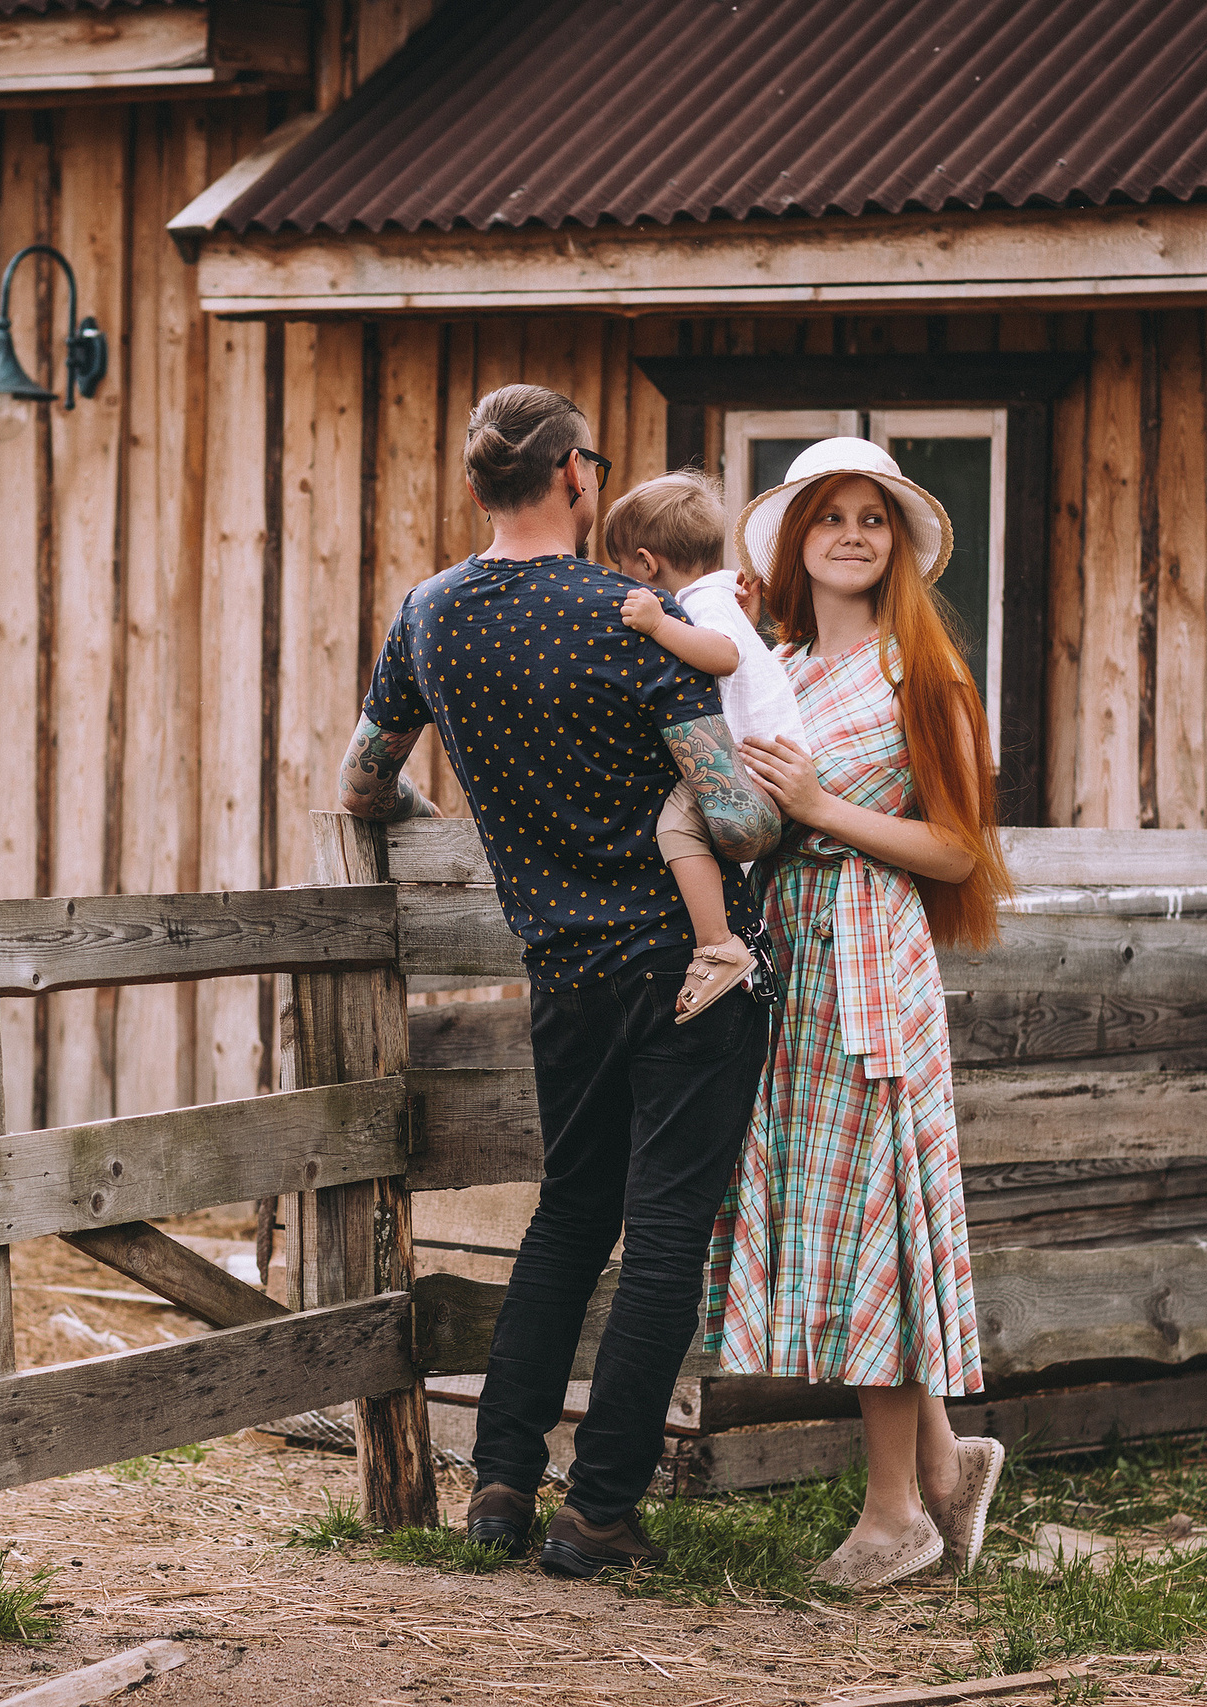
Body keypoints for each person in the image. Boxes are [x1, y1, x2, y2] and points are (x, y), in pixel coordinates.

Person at [334, 384, 781, 1580]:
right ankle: (599, 1512)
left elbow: (362, 782)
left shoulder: (429, 616)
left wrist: (462, 840)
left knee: (570, 1216)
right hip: (691, 970)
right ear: (578, 475)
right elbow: (734, 821)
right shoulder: (635, 616)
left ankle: (498, 1486)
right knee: (668, 1230)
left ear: (482, 484)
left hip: (565, 971)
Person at [704, 438, 1012, 1590]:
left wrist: (822, 804)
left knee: (871, 1213)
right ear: (794, 541)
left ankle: (895, 1516)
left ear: (896, 546)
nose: (849, 533)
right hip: (792, 956)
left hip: (872, 957)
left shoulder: (916, 675)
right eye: (825, 516)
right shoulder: (771, 667)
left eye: (870, 519)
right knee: (840, 1216)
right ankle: (941, 1462)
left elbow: (954, 844)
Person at [603, 470, 806, 1023]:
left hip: (752, 764)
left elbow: (724, 656)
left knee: (675, 824)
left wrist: (656, 624)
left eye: (624, 570)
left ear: (646, 564)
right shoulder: (718, 598)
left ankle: (718, 946)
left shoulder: (699, 605)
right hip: (762, 760)